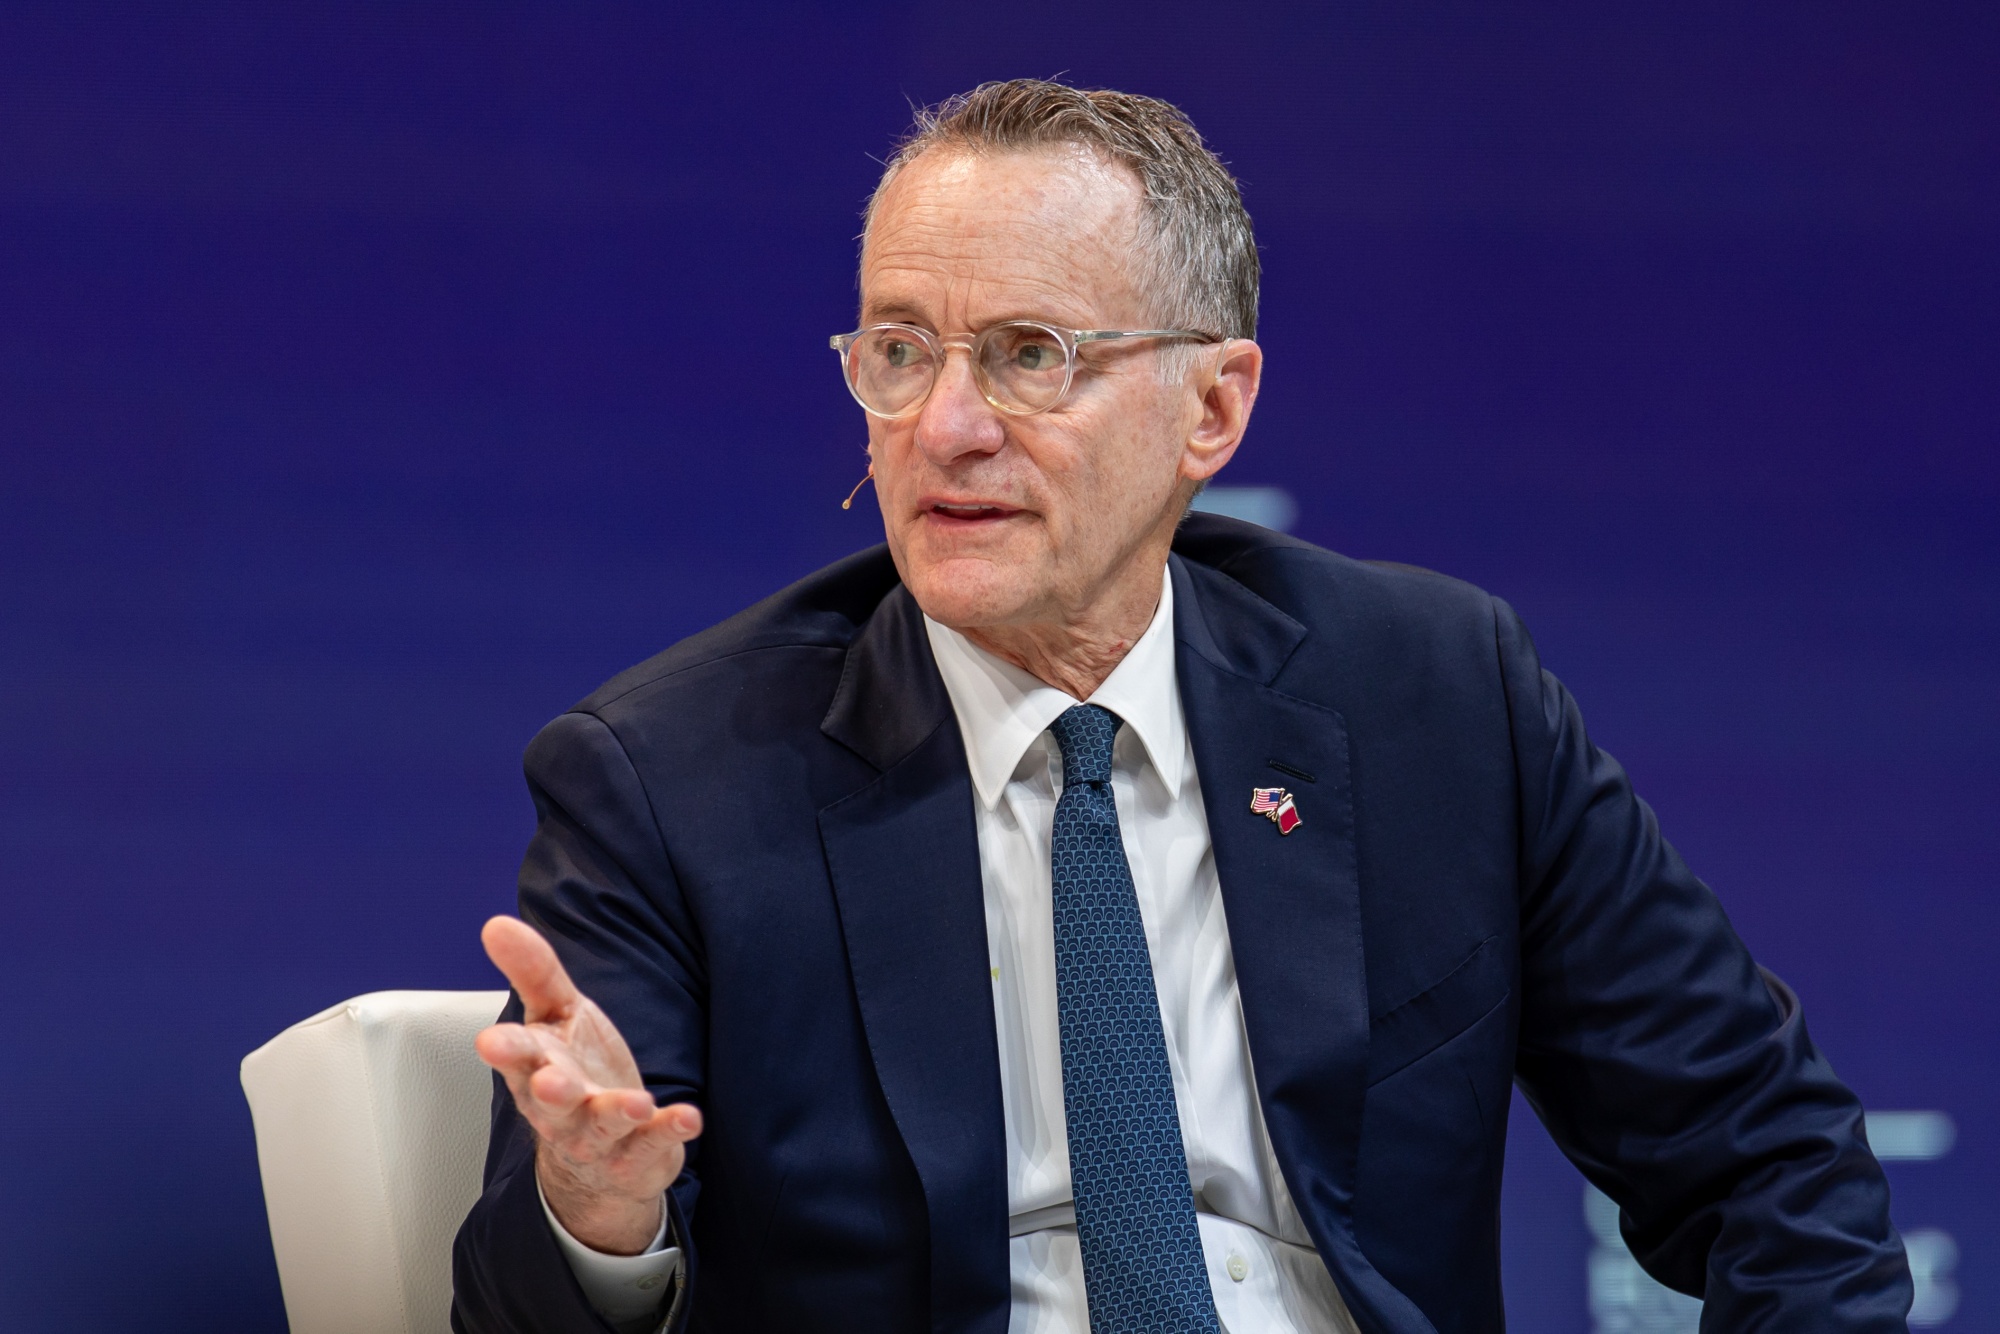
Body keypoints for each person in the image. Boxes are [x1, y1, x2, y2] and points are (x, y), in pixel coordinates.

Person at [449, 80, 1909, 1334]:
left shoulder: (1431, 695)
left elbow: (1773, 1164)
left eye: (1031, 355)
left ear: (1213, 408)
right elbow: (514, 1307)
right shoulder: (674, 775)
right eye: (900, 352)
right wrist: (601, 1211)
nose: (947, 425)